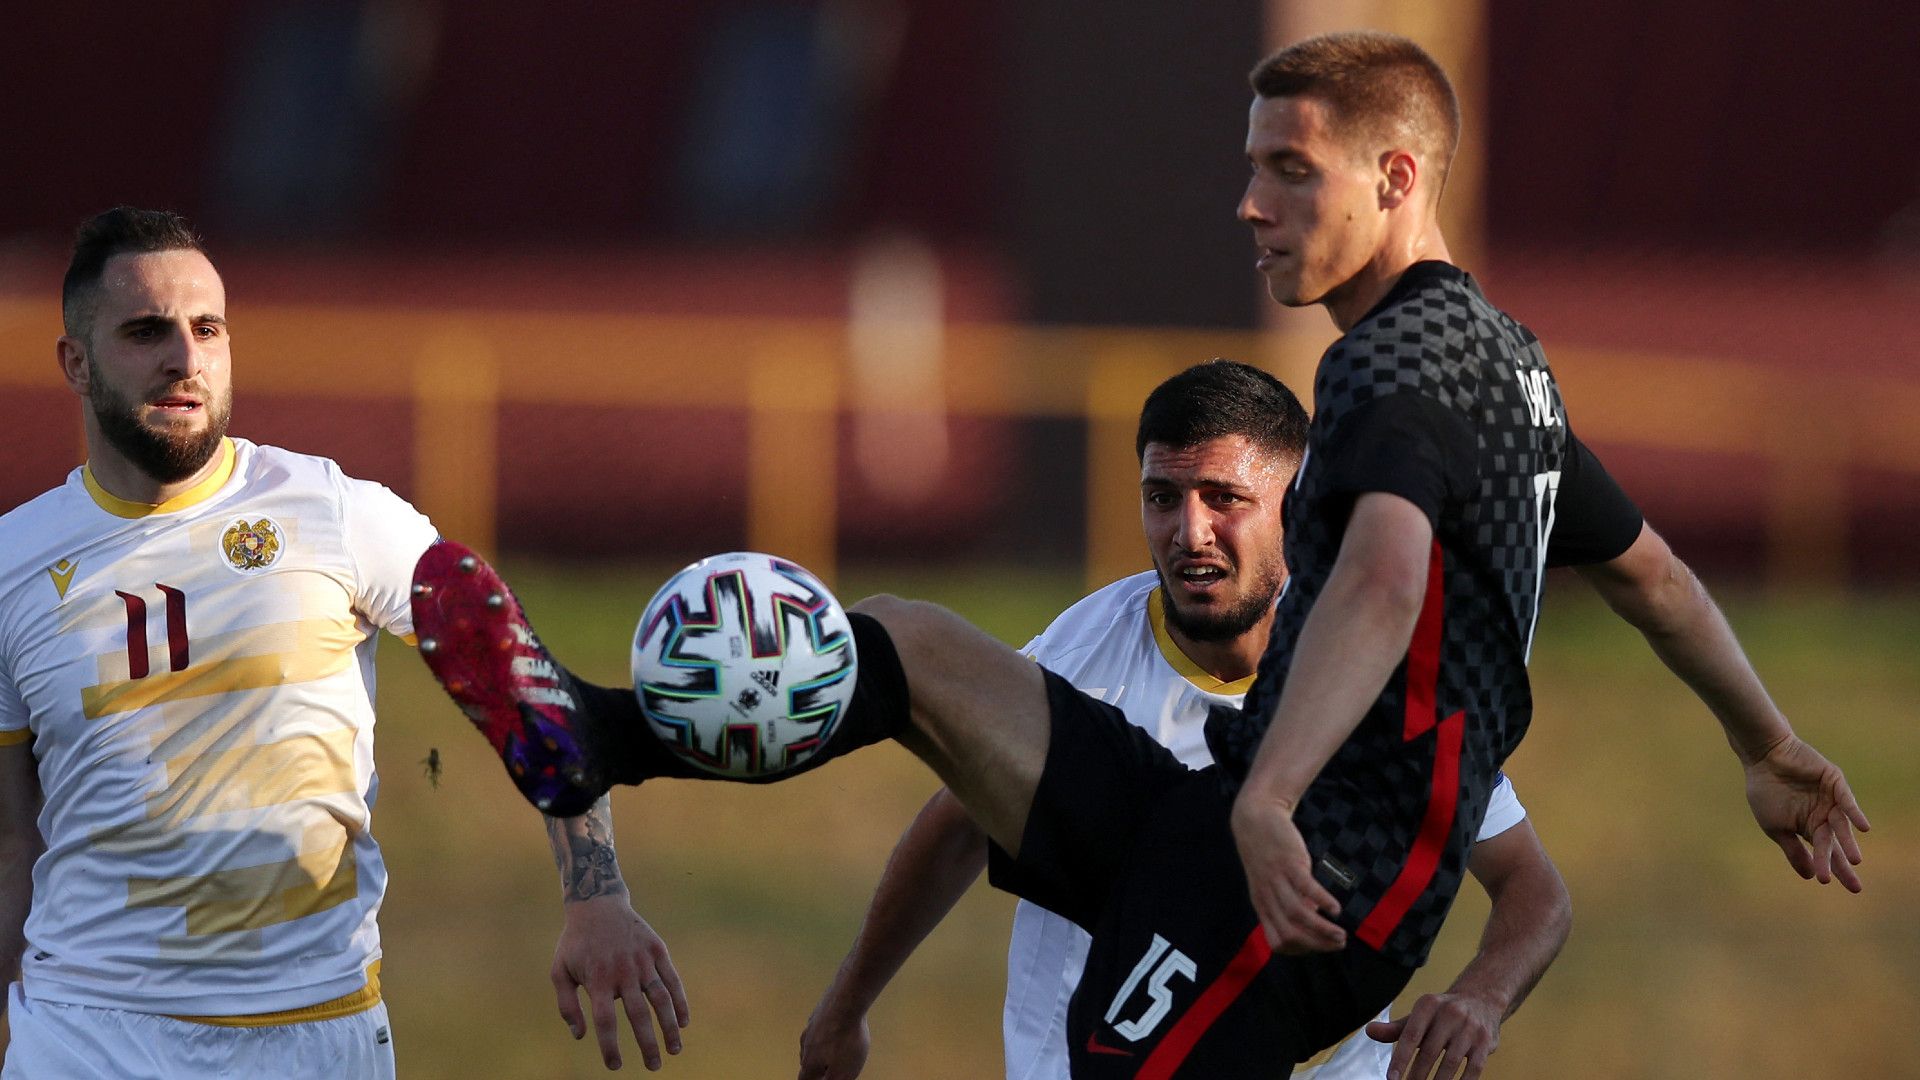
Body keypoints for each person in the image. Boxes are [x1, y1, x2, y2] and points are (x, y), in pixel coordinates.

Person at [410, 30, 1866, 1077]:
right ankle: (600, 734)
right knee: (909, 643)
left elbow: (1382, 583)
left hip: (1302, 903)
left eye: (1291, 172)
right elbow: (1655, 578)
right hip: (1218, 825)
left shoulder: (1387, 371)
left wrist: (1272, 800)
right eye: (1250, 168)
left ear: (1397, 177)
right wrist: (1769, 741)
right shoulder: (1515, 371)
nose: (1252, 204)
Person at [0, 207, 686, 1078]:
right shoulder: (12, 567)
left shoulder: (335, 512)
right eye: (146, 332)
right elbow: (11, 845)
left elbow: (523, 685)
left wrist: (598, 897)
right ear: (75, 361)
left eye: (208, 328)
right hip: (87, 1037)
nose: (186, 358)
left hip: (316, 1033)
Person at [795, 360, 1571, 1080]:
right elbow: (959, 822)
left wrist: (1482, 996)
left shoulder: (1385, 680)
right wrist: (844, 1008)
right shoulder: (1081, 655)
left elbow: (1532, 886)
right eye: (1163, 498)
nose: (1189, 532)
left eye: (1224, 498)